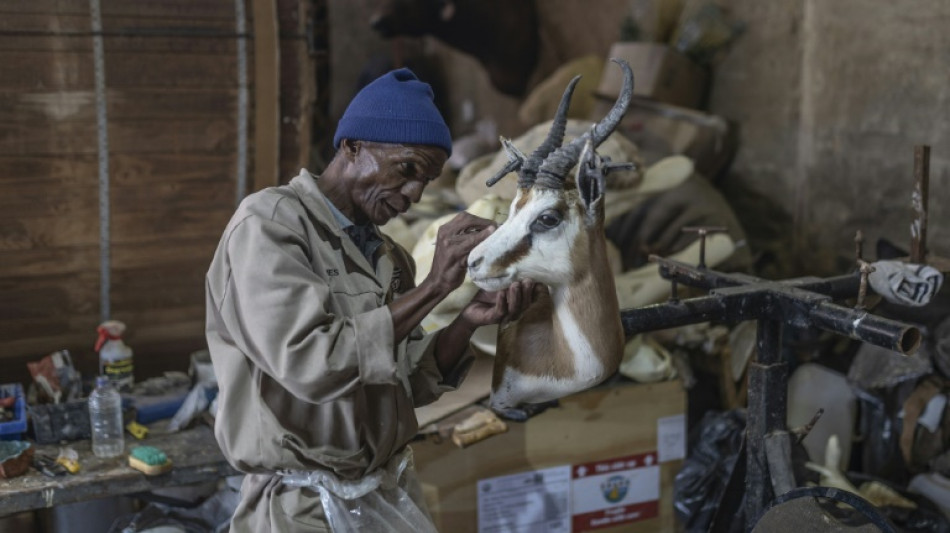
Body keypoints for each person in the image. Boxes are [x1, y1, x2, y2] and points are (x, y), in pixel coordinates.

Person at [205, 68, 536, 532]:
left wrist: (466, 322)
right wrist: (435, 288)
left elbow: (406, 383)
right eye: (407, 169)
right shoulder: (270, 226)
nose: (415, 193)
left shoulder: (389, 256)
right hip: (303, 509)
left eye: (427, 180)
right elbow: (310, 364)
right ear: (352, 147)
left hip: (382, 491)